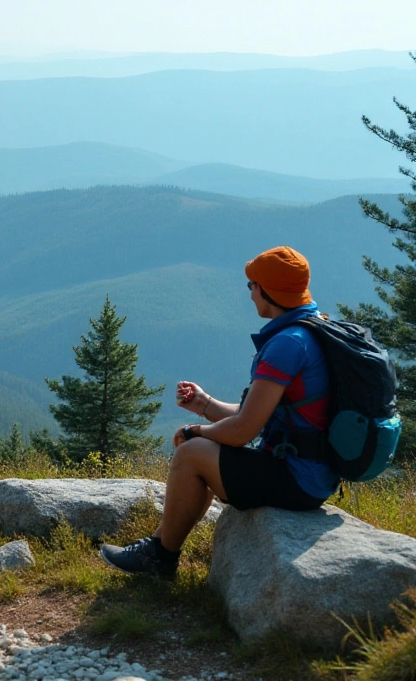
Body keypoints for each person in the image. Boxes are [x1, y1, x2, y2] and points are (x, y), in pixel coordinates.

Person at [100, 246, 337, 578]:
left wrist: (194, 432)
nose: (250, 293)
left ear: (267, 291)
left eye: (252, 285)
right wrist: (204, 405)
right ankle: (159, 546)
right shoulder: (312, 328)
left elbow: (243, 431)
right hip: (313, 472)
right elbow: (255, 413)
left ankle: (159, 557)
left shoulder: (287, 345)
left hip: (297, 479)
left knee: (192, 453)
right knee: (204, 449)